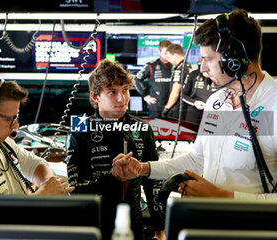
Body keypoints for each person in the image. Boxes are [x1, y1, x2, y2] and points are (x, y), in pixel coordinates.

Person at [112, 9, 277, 200]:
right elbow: (197, 159)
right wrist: (143, 168)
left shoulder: (273, 104)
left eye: (207, 60)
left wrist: (223, 197)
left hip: (253, 228)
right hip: (205, 222)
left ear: (234, 60)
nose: (203, 69)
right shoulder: (217, 101)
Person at [65, 59, 164, 239]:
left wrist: (160, 227)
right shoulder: (79, 129)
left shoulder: (142, 128)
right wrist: (113, 178)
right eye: (112, 92)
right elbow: (75, 190)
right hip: (93, 225)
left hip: (134, 224)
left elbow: (153, 181)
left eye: (125, 90)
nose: (122, 98)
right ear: (95, 96)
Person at [134, 40, 172, 118]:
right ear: (159, 52)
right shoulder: (151, 65)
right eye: (165, 53)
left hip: (173, 107)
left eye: (169, 52)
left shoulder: (176, 65)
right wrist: (145, 96)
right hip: (156, 106)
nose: (167, 55)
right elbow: (137, 79)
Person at [161, 44, 191, 120]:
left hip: (176, 110)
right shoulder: (188, 66)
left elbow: (175, 92)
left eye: (168, 57)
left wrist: (166, 108)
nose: (168, 60)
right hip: (185, 108)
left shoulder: (180, 69)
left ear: (175, 55)